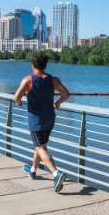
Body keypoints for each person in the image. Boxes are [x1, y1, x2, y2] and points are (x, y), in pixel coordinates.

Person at [14, 52, 71, 192]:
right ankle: (33, 170)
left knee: (41, 148)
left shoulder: (28, 80)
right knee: (40, 145)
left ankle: (56, 173)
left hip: (36, 120)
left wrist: (19, 102)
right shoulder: (54, 80)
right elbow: (66, 94)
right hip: (50, 118)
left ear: (32, 64)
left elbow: (16, 97)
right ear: (45, 65)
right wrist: (58, 102)